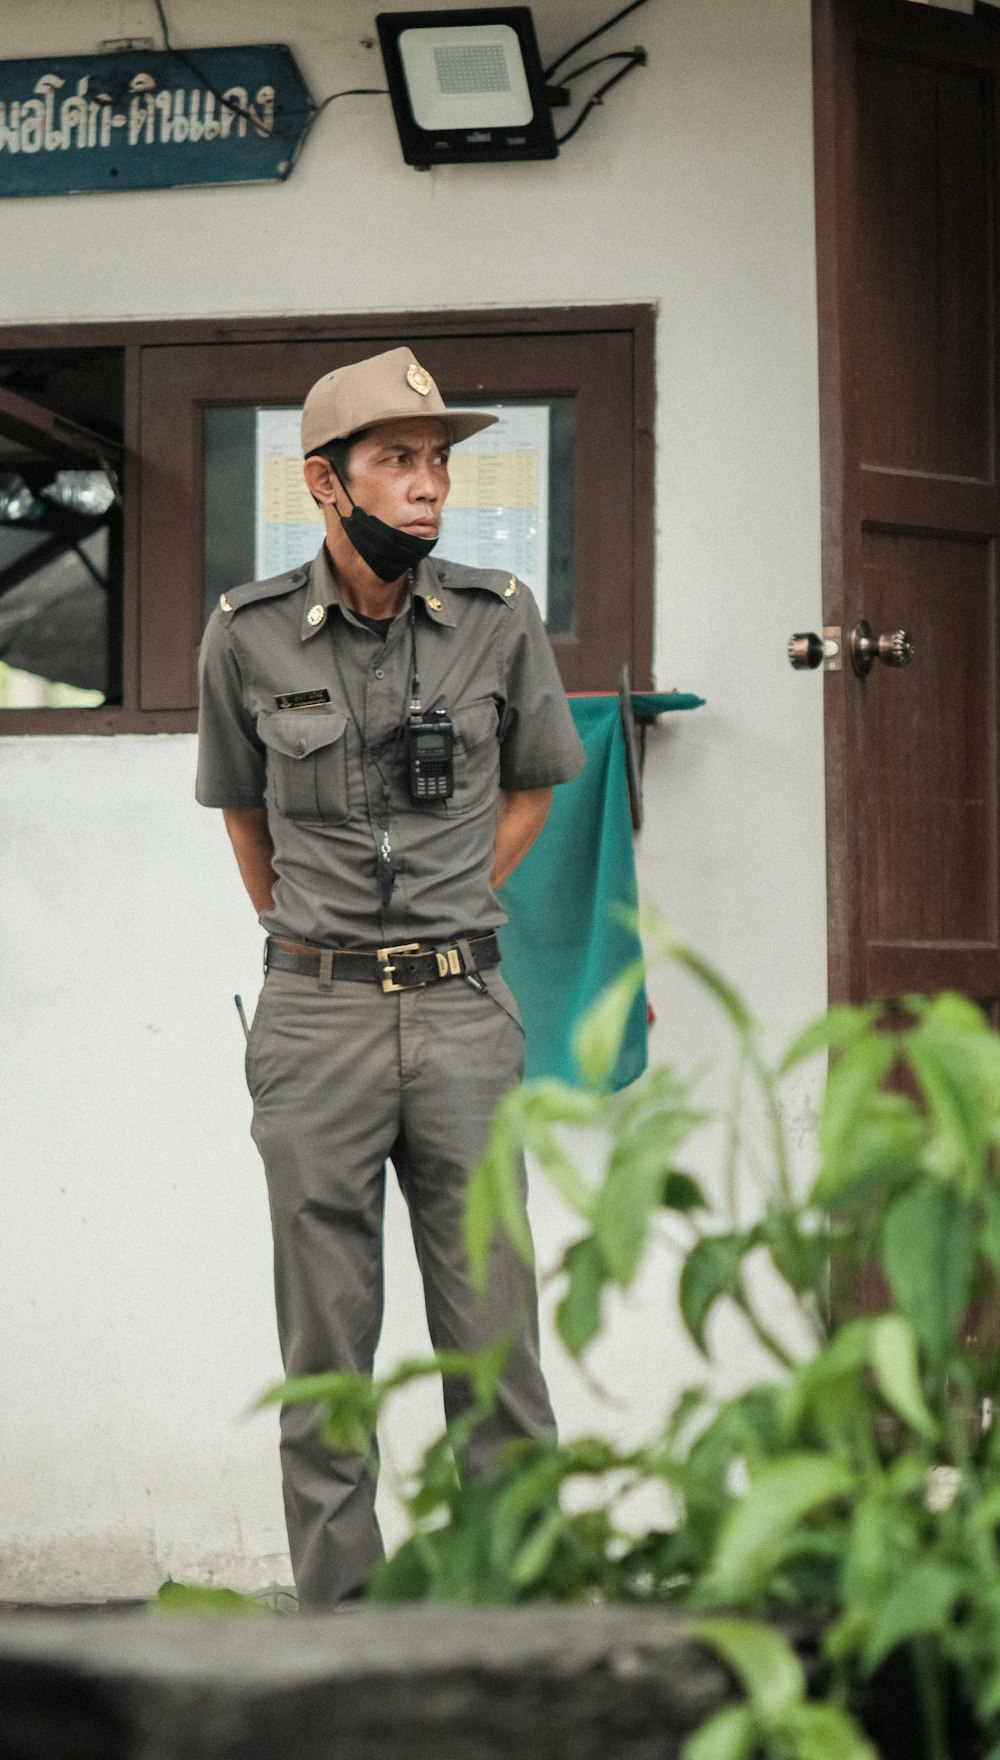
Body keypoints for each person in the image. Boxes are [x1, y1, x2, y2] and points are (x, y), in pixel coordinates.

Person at [196, 345, 585, 1609]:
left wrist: (452, 898)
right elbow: (244, 817)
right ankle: (343, 1646)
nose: (427, 487)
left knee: (495, 1353)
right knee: (326, 1363)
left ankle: (518, 1637)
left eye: (437, 463)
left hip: (464, 1013)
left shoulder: (496, 617)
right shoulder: (248, 635)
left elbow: (534, 780)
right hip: (314, 1022)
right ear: (325, 482)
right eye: (398, 462)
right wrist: (316, 945)